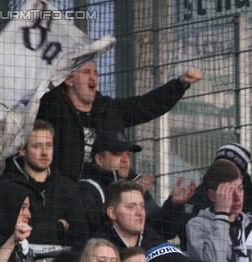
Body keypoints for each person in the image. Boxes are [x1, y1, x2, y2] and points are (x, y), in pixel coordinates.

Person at [37, 60, 202, 181]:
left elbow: (147, 105)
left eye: (95, 73)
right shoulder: (54, 110)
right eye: (86, 73)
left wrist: (180, 84)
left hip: (110, 193)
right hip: (66, 194)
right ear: (69, 80)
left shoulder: (108, 110)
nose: (93, 78)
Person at [0, 120, 87, 246]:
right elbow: (10, 231)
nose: (45, 152)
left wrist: (39, 231)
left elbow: (80, 231)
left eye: (49, 145)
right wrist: (59, 227)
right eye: (37, 146)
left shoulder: (67, 186)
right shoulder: (8, 186)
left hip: (60, 260)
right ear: (22, 150)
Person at [156, 143, 252, 240]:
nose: (225, 172)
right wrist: (174, 206)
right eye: (220, 166)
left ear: (242, 175)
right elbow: (166, 232)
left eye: (231, 170)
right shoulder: (196, 196)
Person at [185, 160, 252, 262]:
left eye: (240, 189)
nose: (237, 197)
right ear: (212, 196)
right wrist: (222, 215)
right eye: (229, 193)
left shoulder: (251, 228)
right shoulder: (196, 225)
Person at [78, 131, 144, 232]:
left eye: (127, 154)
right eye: (117, 154)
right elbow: (90, 219)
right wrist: (126, 196)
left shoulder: (136, 183)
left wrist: (173, 204)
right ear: (99, 159)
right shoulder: (85, 187)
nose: (125, 160)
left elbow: (158, 225)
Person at [99, 180, 165, 251]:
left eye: (142, 206)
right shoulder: (97, 247)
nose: (140, 213)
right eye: (131, 207)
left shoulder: (158, 246)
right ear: (112, 213)